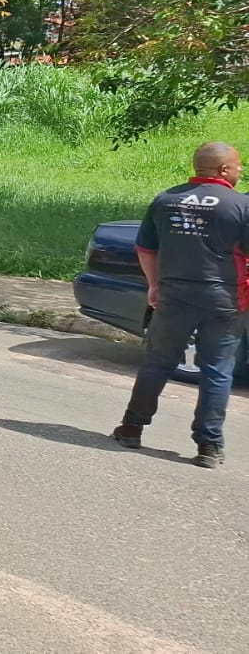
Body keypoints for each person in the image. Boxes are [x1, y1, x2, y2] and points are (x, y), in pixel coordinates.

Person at [113, 141, 248, 468]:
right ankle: (209, 447)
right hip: (224, 301)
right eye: (239, 165)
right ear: (224, 170)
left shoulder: (166, 200)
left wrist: (155, 285)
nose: (241, 171)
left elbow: (146, 248)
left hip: (173, 297)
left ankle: (132, 428)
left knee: (157, 363)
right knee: (217, 371)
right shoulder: (241, 205)